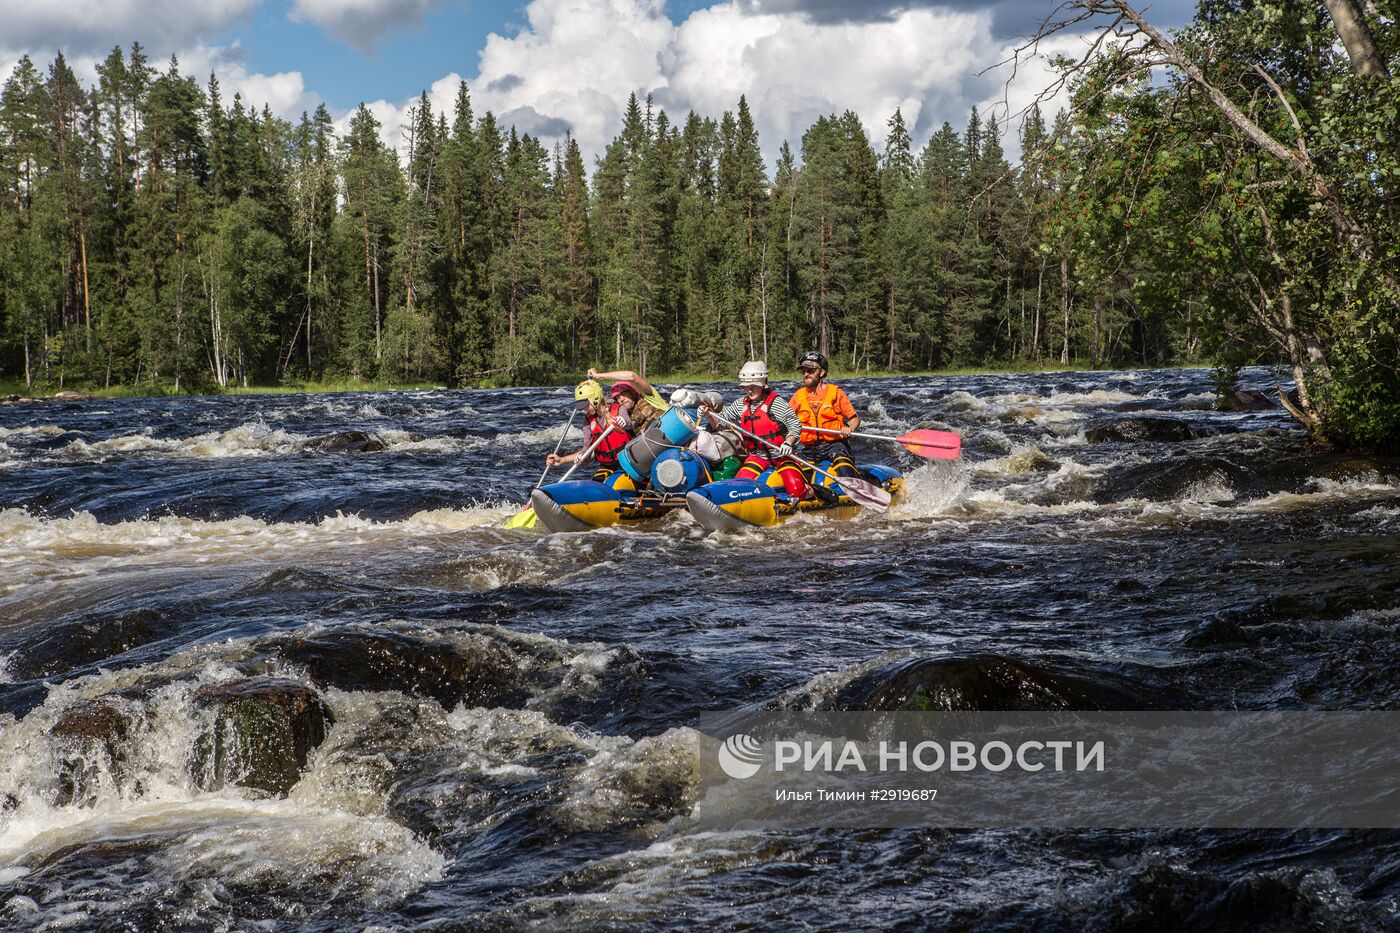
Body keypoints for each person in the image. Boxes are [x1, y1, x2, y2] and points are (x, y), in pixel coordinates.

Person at [702, 361, 808, 500]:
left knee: (796, 488)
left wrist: (788, 442)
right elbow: (721, 421)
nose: (750, 390)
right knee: (739, 485)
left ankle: (810, 491)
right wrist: (708, 415)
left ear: (763, 384)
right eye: (746, 387)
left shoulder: (776, 403)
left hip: (781, 456)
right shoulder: (740, 404)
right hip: (757, 456)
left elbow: (795, 425)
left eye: (754, 386)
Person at [789, 351, 861, 487]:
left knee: (842, 467)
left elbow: (854, 419)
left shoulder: (835, 393)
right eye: (804, 371)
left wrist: (850, 429)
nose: (806, 374)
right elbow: (784, 420)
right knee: (794, 471)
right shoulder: (798, 396)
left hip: (835, 446)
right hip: (809, 449)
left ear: (821, 372)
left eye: (810, 370)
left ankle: (855, 490)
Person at [546, 379, 632, 481]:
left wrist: (624, 422)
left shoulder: (619, 409)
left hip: (627, 462)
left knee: (616, 484)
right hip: (607, 466)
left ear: (595, 399)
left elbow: (629, 424)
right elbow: (587, 449)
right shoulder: (587, 421)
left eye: (586, 405)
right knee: (597, 483)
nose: (584, 409)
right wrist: (567, 459)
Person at [586, 368, 669, 434]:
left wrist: (598, 376)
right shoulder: (624, 416)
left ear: (632, 392)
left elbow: (632, 376)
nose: (621, 399)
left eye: (624, 394)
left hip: (670, 429)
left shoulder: (648, 395)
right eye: (617, 397)